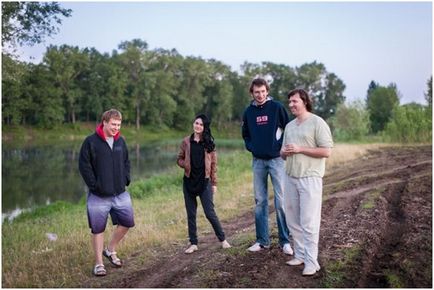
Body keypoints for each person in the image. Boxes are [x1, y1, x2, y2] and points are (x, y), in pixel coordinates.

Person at [280, 89, 333, 276]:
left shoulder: (317, 122)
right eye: (290, 102)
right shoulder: (289, 126)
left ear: (304, 102)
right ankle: (300, 255)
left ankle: (312, 261)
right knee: (292, 220)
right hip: (290, 177)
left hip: (310, 178)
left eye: (295, 101)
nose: (291, 105)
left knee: (309, 222)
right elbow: (282, 154)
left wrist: (300, 148)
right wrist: (285, 153)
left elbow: (326, 151)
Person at [78, 109, 134, 276]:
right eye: (113, 124)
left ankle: (110, 250)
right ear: (104, 122)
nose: (116, 128)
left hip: (120, 193)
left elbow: (126, 161)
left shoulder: (120, 142)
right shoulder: (91, 142)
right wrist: (95, 186)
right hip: (98, 195)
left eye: (118, 125)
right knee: (97, 229)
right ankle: (99, 264)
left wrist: (126, 178)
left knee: (127, 222)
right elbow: (84, 166)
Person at [241, 77, 293, 254]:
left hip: (277, 160)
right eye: (257, 92)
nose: (260, 94)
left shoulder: (277, 107)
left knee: (281, 201)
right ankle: (262, 240)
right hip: (258, 162)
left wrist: (281, 147)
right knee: (260, 201)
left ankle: (285, 241)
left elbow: (289, 128)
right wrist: (252, 147)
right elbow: (245, 135)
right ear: (252, 93)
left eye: (263, 91)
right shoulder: (248, 112)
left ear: (267, 91)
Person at [177, 114, 231, 254]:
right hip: (189, 182)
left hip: (204, 182)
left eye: (201, 124)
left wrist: (214, 183)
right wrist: (186, 164)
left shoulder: (208, 143)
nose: (198, 126)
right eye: (196, 123)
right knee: (191, 214)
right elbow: (179, 159)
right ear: (193, 124)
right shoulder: (186, 142)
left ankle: (223, 239)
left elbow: (213, 165)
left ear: (204, 127)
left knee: (209, 212)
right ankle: (193, 243)